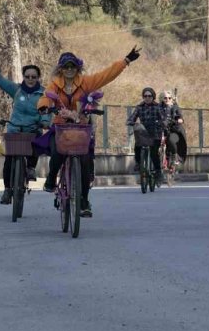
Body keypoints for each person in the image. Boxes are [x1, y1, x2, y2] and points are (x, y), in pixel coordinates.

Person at [37, 47, 141, 218]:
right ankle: (51, 179)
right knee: (57, 152)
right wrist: (43, 106)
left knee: (85, 162)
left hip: (80, 128)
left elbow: (106, 75)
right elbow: (45, 97)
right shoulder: (54, 84)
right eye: (66, 67)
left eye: (73, 66)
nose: (69, 69)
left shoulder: (86, 82)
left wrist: (126, 61)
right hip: (61, 127)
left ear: (77, 68)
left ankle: (84, 200)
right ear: (60, 69)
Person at [0, 56, 47, 204]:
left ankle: (31, 167)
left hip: (33, 128)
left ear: (38, 78)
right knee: (9, 159)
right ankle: (7, 190)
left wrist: (45, 121)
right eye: (27, 76)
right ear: (23, 77)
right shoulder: (17, 90)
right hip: (15, 128)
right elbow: (0, 80)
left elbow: (48, 110)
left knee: (36, 143)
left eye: (34, 77)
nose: (30, 79)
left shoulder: (44, 93)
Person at [129, 87, 167, 182]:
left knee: (154, 153)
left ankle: (158, 172)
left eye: (149, 96)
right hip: (143, 132)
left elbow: (164, 118)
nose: (147, 98)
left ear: (153, 97)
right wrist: (130, 122)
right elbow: (132, 117)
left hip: (155, 132)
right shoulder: (139, 107)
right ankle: (139, 163)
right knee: (137, 147)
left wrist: (162, 123)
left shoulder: (158, 107)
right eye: (145, 96)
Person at [160, 90, 187, 166]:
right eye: (165, 98)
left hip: (172, 129)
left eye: (169, 98)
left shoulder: (175, 107)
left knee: (172, 140)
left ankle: (174, 156)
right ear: (162, 99)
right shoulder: (159, 107)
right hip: (161, 129)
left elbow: (180, 117)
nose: (167, 100)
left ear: (172, 99)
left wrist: (179, 120)